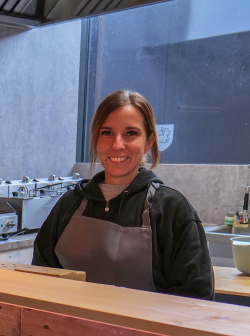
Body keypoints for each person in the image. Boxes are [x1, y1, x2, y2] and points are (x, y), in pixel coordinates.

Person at [32, 89, 213, 299]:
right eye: (107, 133)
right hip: (69, 329)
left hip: (144, 331)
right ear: (96, 140)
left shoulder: (172, 210)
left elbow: (196, 298)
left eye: (131, 133)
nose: (117, 144)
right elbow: (41, 279)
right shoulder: (69, 205)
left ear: (148, 142)